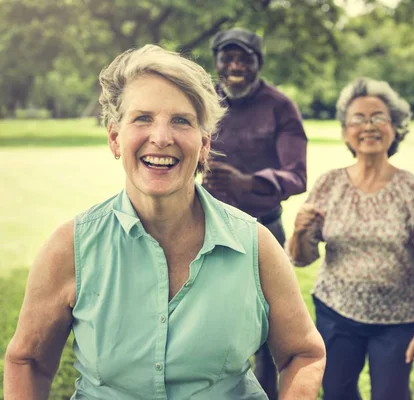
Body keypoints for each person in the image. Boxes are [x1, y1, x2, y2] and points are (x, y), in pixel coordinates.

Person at [3, 44, 325, 400]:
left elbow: (303, 353)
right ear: (115, 138)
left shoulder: (255, 246)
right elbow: (29, 361)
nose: (161, 137)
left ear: (203, 145)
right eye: (142, 118)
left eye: (181, 121)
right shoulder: (70, 247)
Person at [287, 77, 414, 400]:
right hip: (335, 313)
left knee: (390, 395)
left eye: (378, 117)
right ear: (345, 132)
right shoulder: (329, 184)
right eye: (358, 119)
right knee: (337, 392)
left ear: (394, 127)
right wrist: (298, 231)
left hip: (397, 320)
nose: (369, 126)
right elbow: (302, 257)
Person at [203, 27, 308, 399]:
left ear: (258, 63)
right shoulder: (201, 101)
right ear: (216, 61)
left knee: (267, 332)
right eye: (227, 57)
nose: (235, 65)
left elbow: (297, 175)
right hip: (204, 234)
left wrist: (249, 182)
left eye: (244, 58)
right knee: (208, 326)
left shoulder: (280, 106)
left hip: (264, 233)